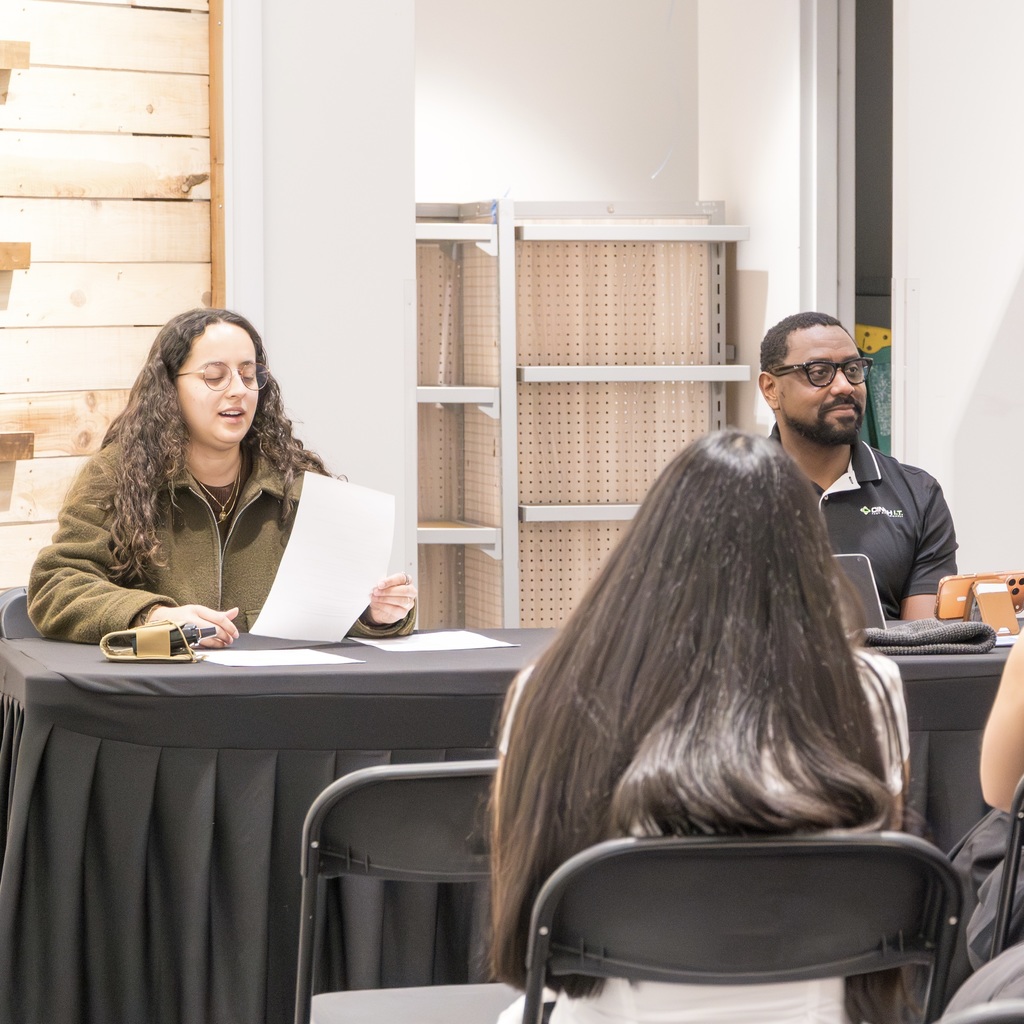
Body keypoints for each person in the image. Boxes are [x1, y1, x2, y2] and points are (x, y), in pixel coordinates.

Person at [490, 430, 911, 1024]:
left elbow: (527, 878)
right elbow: (880, 887)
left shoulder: (550, 689)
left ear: (652, 545)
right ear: (805, 549)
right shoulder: (869, 686)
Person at [28, 307, 417, 646]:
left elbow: (331, 608)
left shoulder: (294, 481)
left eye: (249, 376)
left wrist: (374, 614)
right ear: (170, 387)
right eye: (214, 376)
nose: (238, 391)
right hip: (162, 702)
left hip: (276, 701)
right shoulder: (117, 475)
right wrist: (155, 617)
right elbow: (56, 586)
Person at [758, 311, 957, 621]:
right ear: (771, 389)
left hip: (883, 669)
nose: (844, 386)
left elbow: (924, 644)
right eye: (819, 372)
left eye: (852, 369)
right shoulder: (728, 493)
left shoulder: (918, 496)